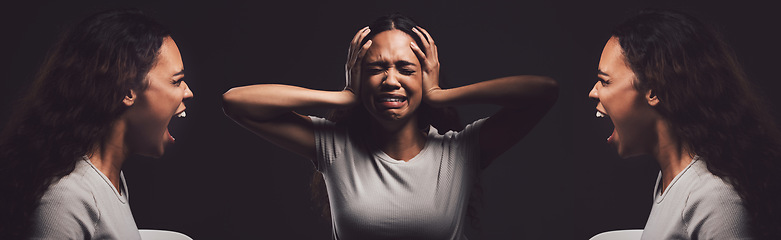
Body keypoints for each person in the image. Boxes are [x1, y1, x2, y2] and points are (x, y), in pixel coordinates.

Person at [222, 13, 557, 239]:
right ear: (358, 76)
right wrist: (343, 96)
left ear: (424, 78)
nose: (390, 81)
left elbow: (544, 92)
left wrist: (441, 95)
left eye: (406, 70)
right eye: (376, 69)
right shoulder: (333, 146)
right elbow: (236, 102)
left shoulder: (460, 151)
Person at [0, 9, 194, 239]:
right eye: (177, 81)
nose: (188, 92)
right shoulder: (67, 200)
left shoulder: (111, 181)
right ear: (127, 90)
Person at [589, 9, 781, 240]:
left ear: (654, 90)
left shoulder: (714, 199)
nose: (593, 92)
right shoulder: (670, 180)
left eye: (604, 81)